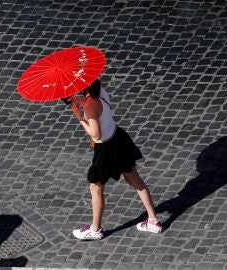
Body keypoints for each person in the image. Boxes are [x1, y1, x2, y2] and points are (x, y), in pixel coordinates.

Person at [69, 79, 162, 240]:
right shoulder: (100, 91)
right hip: (118, 137)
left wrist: (80, 117)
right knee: (134, 178)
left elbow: (96, 133)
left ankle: (95, 229)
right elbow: (99, 112)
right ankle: (153, 220)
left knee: (96, 189)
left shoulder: (90, 103)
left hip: (105, 149)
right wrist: (82, 102)